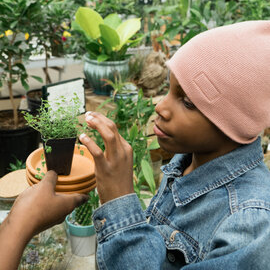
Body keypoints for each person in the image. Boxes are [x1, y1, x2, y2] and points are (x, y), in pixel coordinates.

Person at [0, 20, 270, 269]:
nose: (160, 106)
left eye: (187, 102)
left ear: (235, 122)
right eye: (168, 89)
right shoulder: (189, 162)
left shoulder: (250, 227)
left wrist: (119, 199)